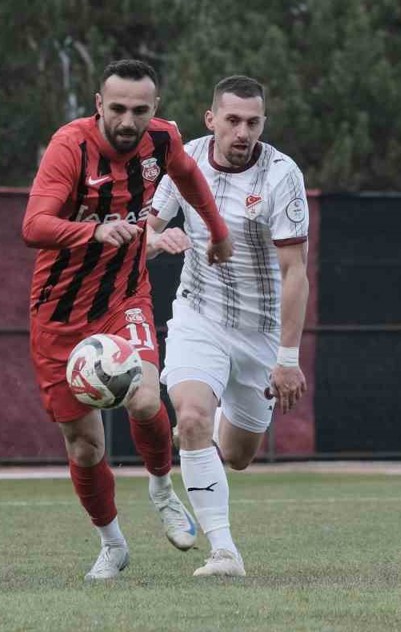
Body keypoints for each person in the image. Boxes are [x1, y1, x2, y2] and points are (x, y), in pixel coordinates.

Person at [21, 59, 234, 581]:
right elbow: (33, 225)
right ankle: (112, 544)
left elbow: (188, 177)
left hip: (124, 300)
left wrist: (217, 230)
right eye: (117, 108)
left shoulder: (160, 142)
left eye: (140, 110)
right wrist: (92, 233)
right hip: (60, 317)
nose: (127, 119)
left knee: (143, 398)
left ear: (154, 110)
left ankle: (163, 489)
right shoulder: (69, 148)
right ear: (98, 105)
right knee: (86, 444)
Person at [146, 75, 310, 577]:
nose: (243, 132)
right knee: (190, 418)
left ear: (264, 122)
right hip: (199, 314)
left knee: (238, 455)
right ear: (210, 118)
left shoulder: (281, 174)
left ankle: (208, 449)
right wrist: (158, 240)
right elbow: (144, 232)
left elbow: (294, 271)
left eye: (253, 122)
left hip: (260, 332)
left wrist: (287, 360)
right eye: (233, 120)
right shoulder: (184, 161)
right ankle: (224, 552)